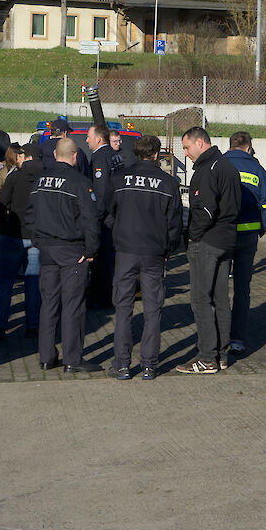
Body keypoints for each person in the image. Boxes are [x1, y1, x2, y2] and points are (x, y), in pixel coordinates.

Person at [104, 134, 183, 380]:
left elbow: (106, 212)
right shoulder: (168, 183)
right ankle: (149, 365)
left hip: (125, 250)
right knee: (152, 309)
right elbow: (175, 222)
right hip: (154, 252)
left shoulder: (119, 178)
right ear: (156, 154)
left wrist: (117, 232)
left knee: (123, 307)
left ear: (135, 153)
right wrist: (169, 249)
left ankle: (122, 364)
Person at [26, 137, 101, 373]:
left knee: (48, 304)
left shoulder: (40, 181)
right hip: (72, 250)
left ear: (55, 155)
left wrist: (38, 240)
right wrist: (91, 250)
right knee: (73, 306)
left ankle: (46, 357)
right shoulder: (79, 182)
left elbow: (29, 214)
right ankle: (72, 359)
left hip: (46, 249)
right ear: (75, 155)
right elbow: (90, 219)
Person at [176, 126, 240, 374]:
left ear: (201, 143)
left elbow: (204, 210)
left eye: (187, 147)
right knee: (220, 299)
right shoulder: (227, 166)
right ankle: (221, 354)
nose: (185, 153)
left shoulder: (207, 169)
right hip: (227, 241)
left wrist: (192, 236)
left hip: (209, 243)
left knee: (201, 299)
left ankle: (206, 357)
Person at [223, 131, 266, 354]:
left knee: (218, 288)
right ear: (248, 147)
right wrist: (261, 227)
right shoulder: (257, 169)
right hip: (248, 237)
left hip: (222, 236)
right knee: (242, 288)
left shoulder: (220, 165)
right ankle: (237, 338)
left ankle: (218, 336)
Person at [0, 143, 43, 341]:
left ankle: (0, 326)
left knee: (6, 282)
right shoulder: (46, 178)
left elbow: (0, 204)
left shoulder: (15, 177)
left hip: (13, 235)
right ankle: (32, 326)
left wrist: (3, 226)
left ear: (27, 157)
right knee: (33, 283)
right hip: (36, 236)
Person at [87, 124, 120, 309]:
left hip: (105, 217)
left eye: (88, 137)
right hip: (115, 212)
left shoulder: (100, 156)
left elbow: (101, 190)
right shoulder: (115, 154)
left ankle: (102, 298)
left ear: (98, 139)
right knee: (109, 259)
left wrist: (96, 216)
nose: (86, 140)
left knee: (102, 260)